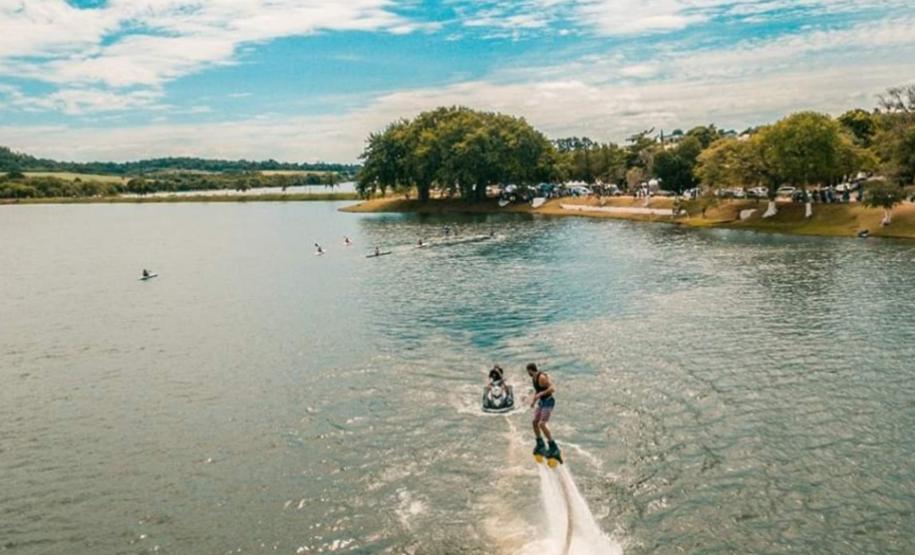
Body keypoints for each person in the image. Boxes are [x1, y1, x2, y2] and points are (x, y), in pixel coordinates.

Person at [528, 363, 561, 462]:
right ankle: (540, 444)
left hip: (548, 402)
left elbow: (552, 388)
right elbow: (537, 391)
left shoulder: (541, 377)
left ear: (530, 370)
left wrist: (542, 393)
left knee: (541, 424)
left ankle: (553, 447)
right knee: (534, 422)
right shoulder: (533, 379)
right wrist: (533, 402)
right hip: (542, 402)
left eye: (528, 372)